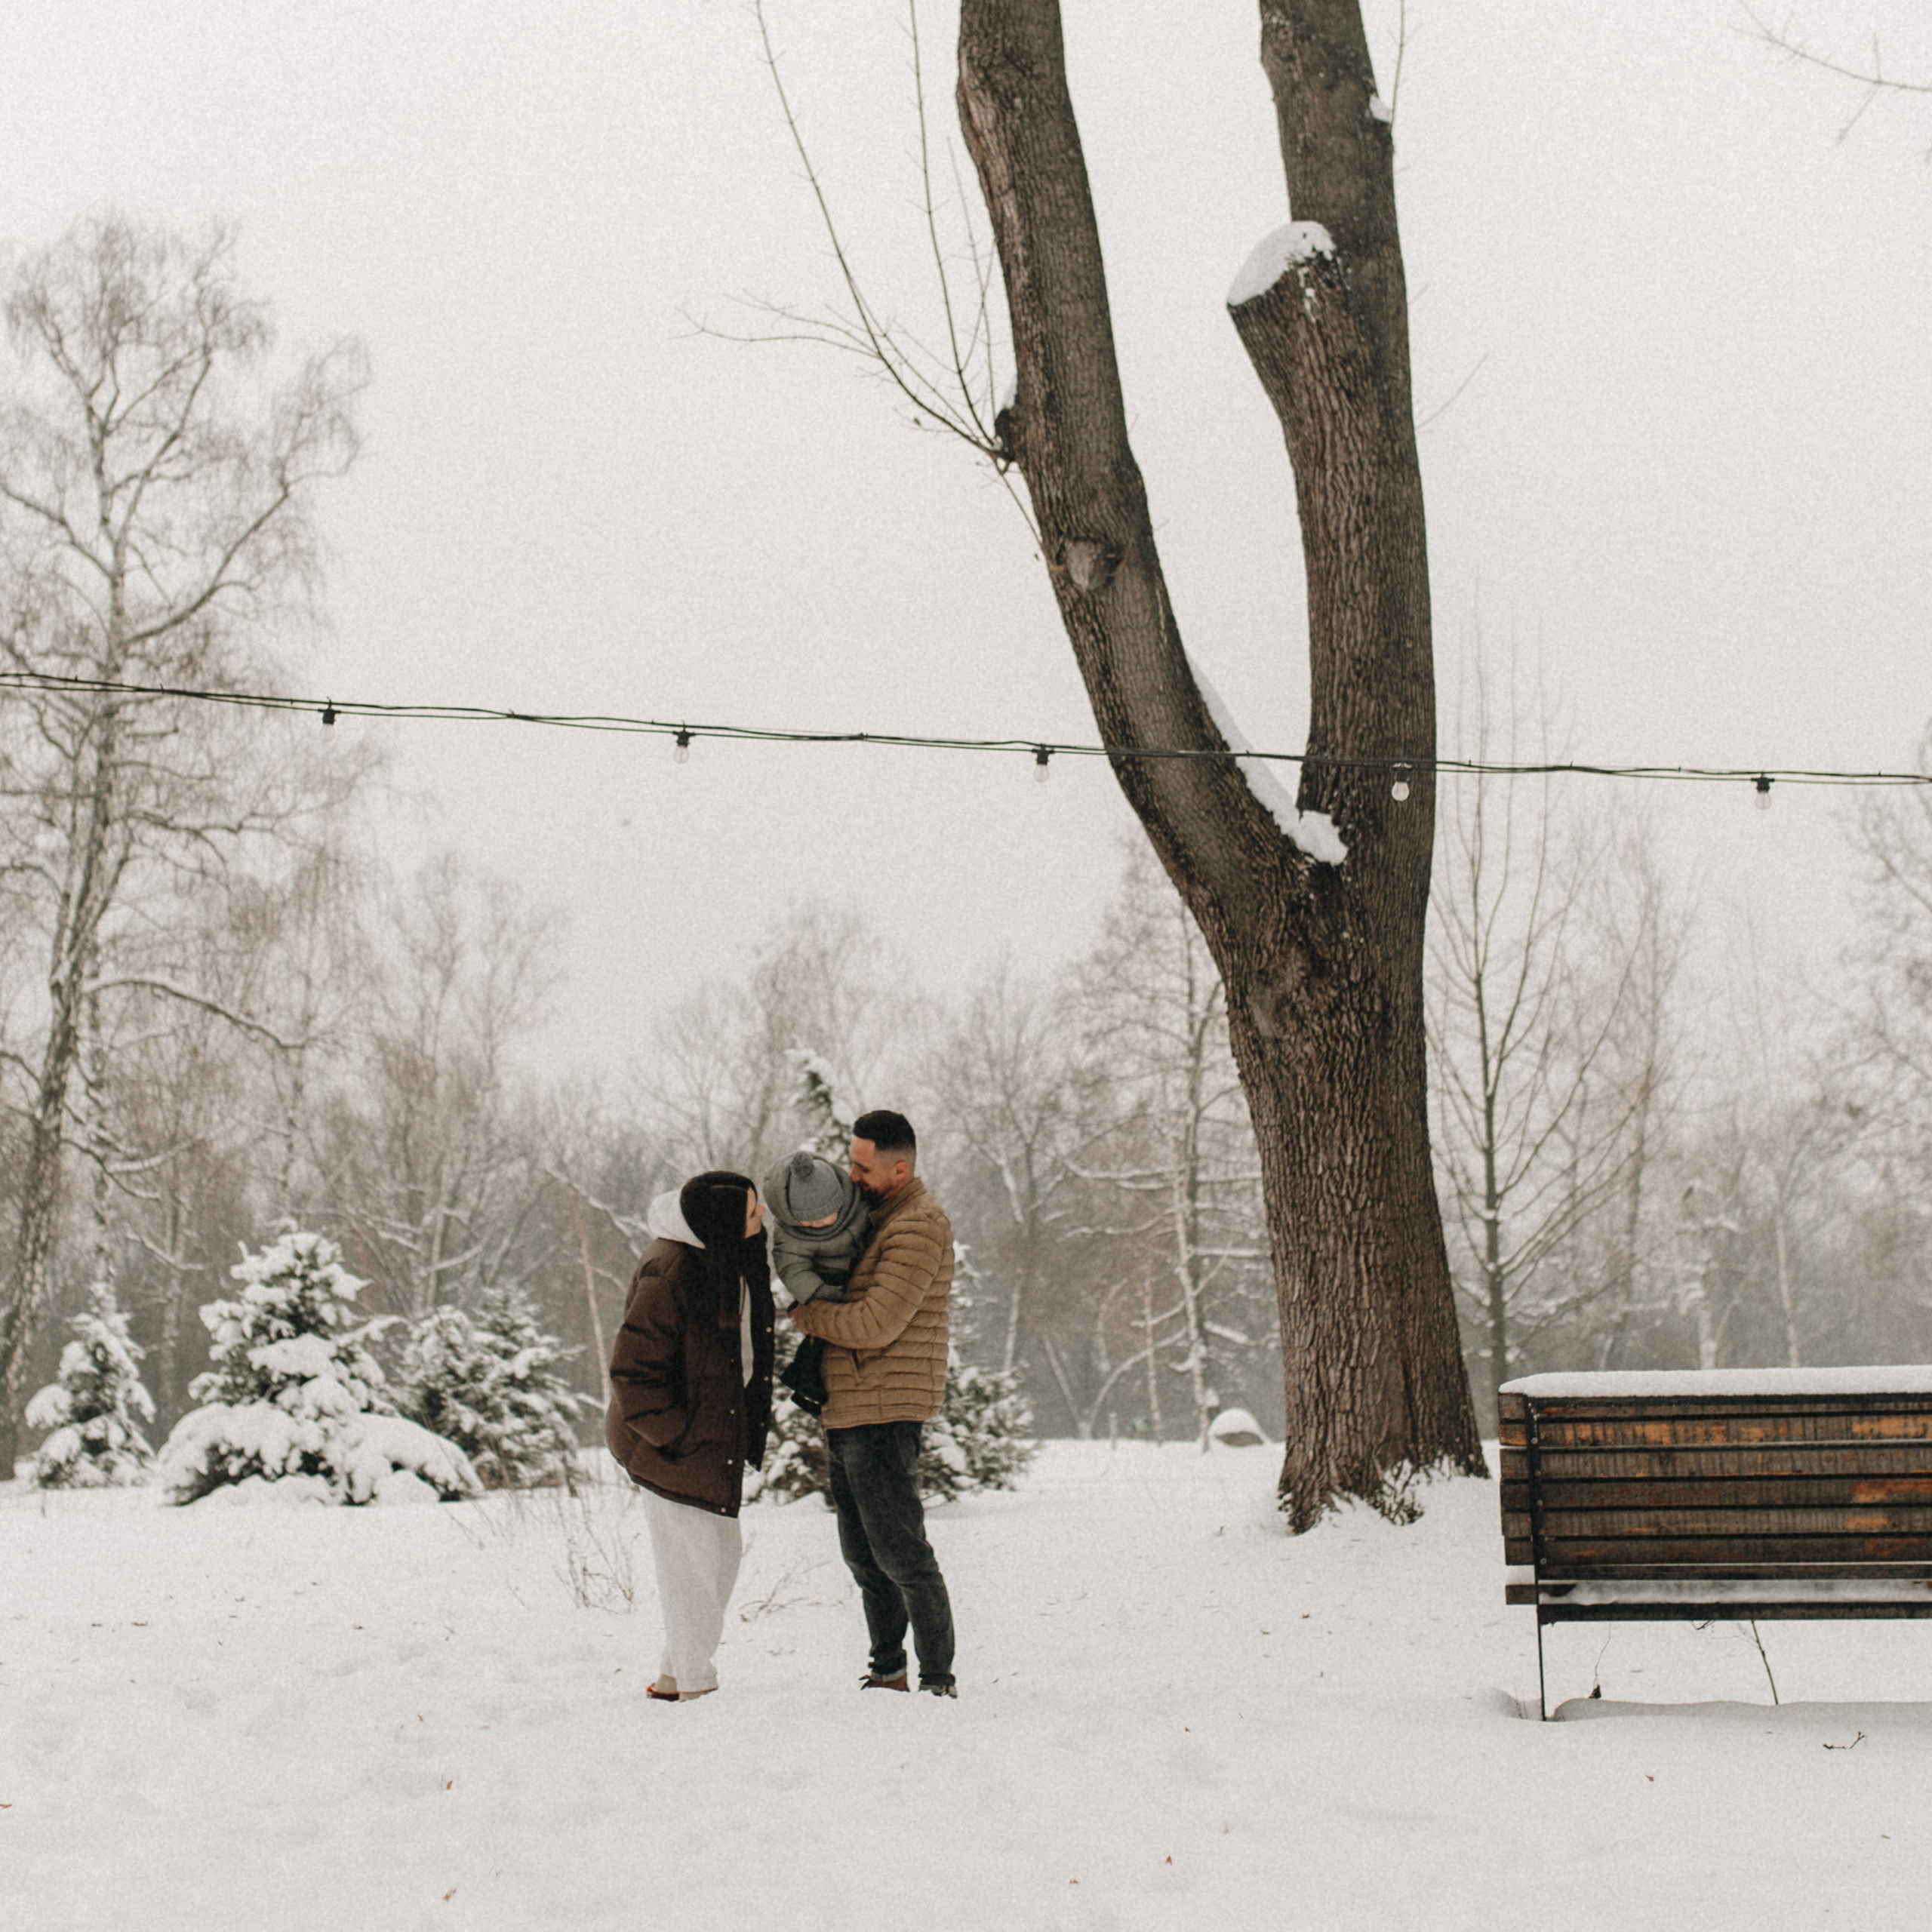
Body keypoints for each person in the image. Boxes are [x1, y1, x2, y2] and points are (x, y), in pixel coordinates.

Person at [786, 1109, 958, 1697]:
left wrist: (807, 1315)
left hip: (885, 1411)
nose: (851, 1175)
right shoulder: (879, 1221)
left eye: (862, 1166)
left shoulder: (920, 1227)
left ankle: (937, 1679)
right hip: (851, 1406)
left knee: (903, 1555)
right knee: (863, 1557)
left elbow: (876, 1322)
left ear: (899, 1167)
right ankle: (888, 1669)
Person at [605, 1169, 775, 1701]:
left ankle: (676, 1673)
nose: (763, 1217)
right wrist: (674, 1436)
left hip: (708, 1443)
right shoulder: (673, 1269)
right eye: (752, 1212)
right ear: (723, 1223)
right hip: (670, 1448)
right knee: (695, 1571)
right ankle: (696, 1685)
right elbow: (634, 1373)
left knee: (716, 1563)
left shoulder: (725, 1259)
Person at [761, 1149, 871, 1415]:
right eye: (806, 1221)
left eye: (823, 1218)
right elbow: (792, 1267)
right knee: (818, 1340)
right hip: (822, 1283)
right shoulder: (790, 1231)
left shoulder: (859, 1205)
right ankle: (806, 1384)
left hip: (860, 1275)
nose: (815, 1225)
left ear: (839, 1202)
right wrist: (818, 1292)